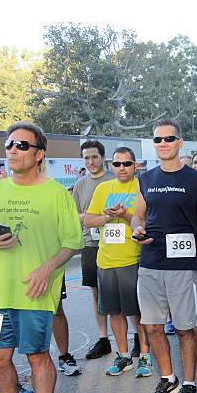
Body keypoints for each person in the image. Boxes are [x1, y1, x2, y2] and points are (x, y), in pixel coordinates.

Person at [0, 122, 83, 393]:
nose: (13, 150)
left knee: (37, 356)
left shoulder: (56, 193)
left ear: (40, 153)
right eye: (10, 145)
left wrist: (48, 268)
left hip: (34, 292)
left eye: (22, 145)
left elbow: (73, 241)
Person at [131, 118, 197, 393]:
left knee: (185, 330)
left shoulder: (196, 180)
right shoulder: (147, 178)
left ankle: (189, 385)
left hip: (183, 267)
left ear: (180, 143)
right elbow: (137, 216)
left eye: (168, 139)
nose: (163, 144)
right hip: (151, 264)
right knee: (152, 327)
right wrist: (136, 229)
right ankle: (168, 379)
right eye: (158, 140)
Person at [84, 147, 152, 378]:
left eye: (126, 163)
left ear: (135, 166)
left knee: (137, 313)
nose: (121, 168)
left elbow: (146, 220)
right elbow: (89, 220)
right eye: (117, 164)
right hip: (105, 260)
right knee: (114, 312)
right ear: (111, 166)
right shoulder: (103, 188)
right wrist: (107, 217)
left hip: (133, 259)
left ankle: (144, 356)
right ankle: (123, 355)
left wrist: (123, 215)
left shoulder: (142, 186)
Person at [71, 140, 113, 361]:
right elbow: (75, 215)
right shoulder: (80, 184)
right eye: (86, 158)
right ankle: (103, 338)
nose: (90, 161)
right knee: (96, 293)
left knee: (125, 292)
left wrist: (98, 216)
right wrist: (90, 217)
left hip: (117, 244)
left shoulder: (116, 179)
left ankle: (137, 338)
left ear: (103, 157)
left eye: (94, 157)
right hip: (91, 244)